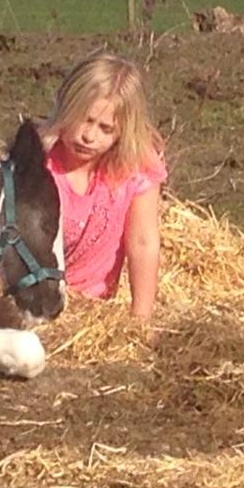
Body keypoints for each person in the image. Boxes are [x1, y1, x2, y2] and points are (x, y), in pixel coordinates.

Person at [41, 53, 166, 321]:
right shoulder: (38, 164)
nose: (89, 136)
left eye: (105, 128)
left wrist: (141, 321)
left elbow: (143, 242)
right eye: (84, 119)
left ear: (122, 132)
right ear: (66, 108)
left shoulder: (136, 166)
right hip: (32, 301)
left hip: (88, 311)